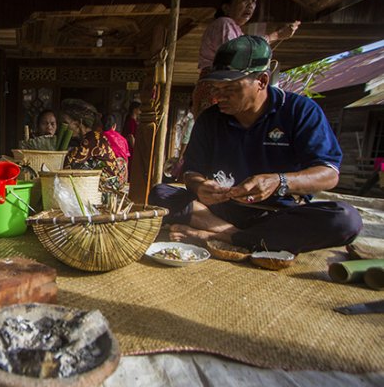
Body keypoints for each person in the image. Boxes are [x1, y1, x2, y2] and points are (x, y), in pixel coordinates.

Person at [149, 36, 362, 254]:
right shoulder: (210, 119)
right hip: (217, 211)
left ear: (261, 81)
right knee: (160, 193)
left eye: (229, 88)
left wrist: (279, 181)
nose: (218, 96)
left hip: (276, 214)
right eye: (215, 88)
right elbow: (192, 171)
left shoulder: (301, 111)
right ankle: (238, 237)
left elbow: (328, 174)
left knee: (346, 219)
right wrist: (200, 186)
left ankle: (225, 237)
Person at [192, 0, 300, 118]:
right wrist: (276, 35)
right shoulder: (224, 23)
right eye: (244, 0)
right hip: (215, 85)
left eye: (253, 1)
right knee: (215, 129)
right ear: (226, 7)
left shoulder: (234, 29)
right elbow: (238, 55)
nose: (250, 5)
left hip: (217, 85)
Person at [61, 99, 125, 187]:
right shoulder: (91, 137)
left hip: (108, 187)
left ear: (77, 124)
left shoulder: (93, 138)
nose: (61, 127)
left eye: (65, 123)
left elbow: (68, 163)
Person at [102, 113, 130, 183]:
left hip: (105, 175)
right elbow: (126, 160)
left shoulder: (99, 137)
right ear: (114, 126)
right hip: (120, 176)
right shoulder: (123, 140)